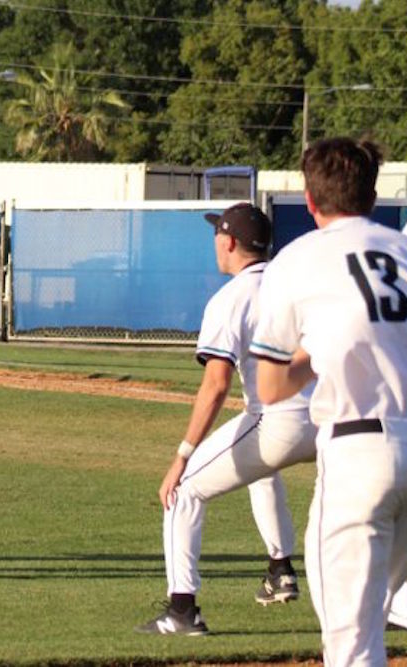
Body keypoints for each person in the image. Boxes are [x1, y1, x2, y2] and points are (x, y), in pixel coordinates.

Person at [252, 136, 407, 665]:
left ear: (310, 200)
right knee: (379, 608)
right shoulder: (402, 249)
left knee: (351, 643)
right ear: (373, 193)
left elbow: (270, 387)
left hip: (359, 455)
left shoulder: (298, 259)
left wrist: (317, 352)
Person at [136, 203, 317, 636]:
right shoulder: (296, 284)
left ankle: (182, 611)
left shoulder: (230, 298)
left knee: (183, 492)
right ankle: (280, 568)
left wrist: (182, 456)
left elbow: (216, 386)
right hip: (331, 418)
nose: (214, 242)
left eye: (217, 234)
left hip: (279, 421)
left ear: (230, 242)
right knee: (260, 469)